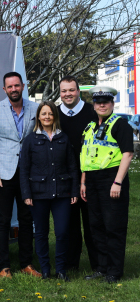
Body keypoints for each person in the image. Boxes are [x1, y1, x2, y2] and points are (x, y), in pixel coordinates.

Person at [0, 71, 40, 279]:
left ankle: (26, 263)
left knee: (27, 220)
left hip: (29, 174)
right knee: (3, 220)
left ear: (23, 86)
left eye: (17, 85)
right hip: (3, 175)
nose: (14, 89)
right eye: (10, 87)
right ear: (4, 89)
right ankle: (3, 267)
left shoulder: (35, 108)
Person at [20, 101, 79, 281]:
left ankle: (61, 270)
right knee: (41, 233)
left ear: (55, 116)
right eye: (43, 113)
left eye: (50, 114)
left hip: (62, 193)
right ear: (38, 116)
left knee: (61, 232)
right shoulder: (31, 140)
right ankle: (45, 269)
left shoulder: (64, 138)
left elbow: (72, 166)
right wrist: (27, 194)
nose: (47, 117)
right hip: (38, 194)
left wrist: (74, 191)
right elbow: (24, 169)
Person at [80, 86, 134, 283]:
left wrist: (117, 182)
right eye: (98, 101)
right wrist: (84, 182)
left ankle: (114, 271)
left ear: (112, 103)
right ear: (93, 105)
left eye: (106, 101)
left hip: (112, 179)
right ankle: (102, 268)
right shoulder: (90, 127)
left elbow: (128, 154)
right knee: (96, 226)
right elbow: (86, 156)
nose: (102, 104)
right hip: (92, 181)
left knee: (113, 227)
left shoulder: (121, 125)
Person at [57, 76, 99, 271]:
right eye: (64, 91)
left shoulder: (93, 111)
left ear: (78, 91)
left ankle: (98, 265)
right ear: (60, 93)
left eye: (71, 90)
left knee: (93, 223)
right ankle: (71, 265)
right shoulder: (54, 115)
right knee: (70, 225)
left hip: (91, 176)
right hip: (65, 178)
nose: (68, 94)